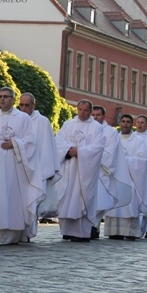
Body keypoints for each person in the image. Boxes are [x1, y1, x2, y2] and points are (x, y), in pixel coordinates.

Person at [0, 87, 43, 246]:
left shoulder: (23, 118)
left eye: (6, 96)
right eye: (0, 96)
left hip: (14, 166)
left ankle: (10, 235)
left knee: (10, 198)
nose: (2, 99)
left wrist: (15, 143)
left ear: (13, 99)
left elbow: (31, 142)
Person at [54, 100, 105, 242]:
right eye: (80, 109)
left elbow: (98, 147)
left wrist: (80, 151)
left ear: (90, 111)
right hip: (69, 167)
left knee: (82, 198)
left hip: (85, 171)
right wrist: (68, 150)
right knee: (66, 197)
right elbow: (58, 141)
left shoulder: (96, 128)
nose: (82, 112)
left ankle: (81, 233)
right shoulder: (68, 124)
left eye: (85, 110)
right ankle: (67, 231)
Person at [18, 93, 60, 229]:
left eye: (27, 105)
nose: (23, 108)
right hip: (18, 168)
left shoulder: (42, 122)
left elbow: (46, 146)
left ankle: (28, 232)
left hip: (36, 169)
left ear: (33, 106)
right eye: (21, 105)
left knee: (32, 200)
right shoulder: (17, 119)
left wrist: (46, 170)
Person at [91, 105, 133, 238]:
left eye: (98, 115)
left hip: (102, 171)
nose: (95, 117)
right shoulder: (87, 128)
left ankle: (94, 226)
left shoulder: (110, 132)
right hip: (86, 170)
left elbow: (111, 152)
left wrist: (92, 157)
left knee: (100, 202)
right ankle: (88, 227)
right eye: (93, 115)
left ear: (103, 116)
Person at [104, 114, 146, 241]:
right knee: (114, 206)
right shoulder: (113, 138)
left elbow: (142, 160)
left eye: (128, 122)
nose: (125, 124)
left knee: (129, 206)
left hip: (130, 179)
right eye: (123, 121)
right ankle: (113, 232)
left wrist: (124, 159)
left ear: (131, 124)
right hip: (115, 178)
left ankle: (130, 232)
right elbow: (107, 155)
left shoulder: (139, 141)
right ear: (120, 123)